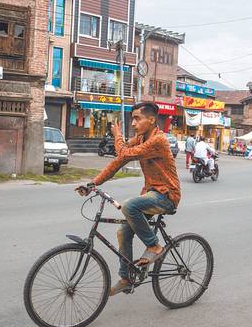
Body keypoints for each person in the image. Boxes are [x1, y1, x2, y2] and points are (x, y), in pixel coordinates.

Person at [75, 102, 180, 296]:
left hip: (166, 195)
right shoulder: (140, 139)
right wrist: (93, 184)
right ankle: (126, 278)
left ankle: (154, 246)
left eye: (137, 118)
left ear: (151, 119)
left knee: (129, 206)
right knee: (124, 232)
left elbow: (123, 151)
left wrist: (118, 136)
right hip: (150, 193)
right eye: (132, 118)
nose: (133, 123)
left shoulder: (158, 140)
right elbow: (119, 160)